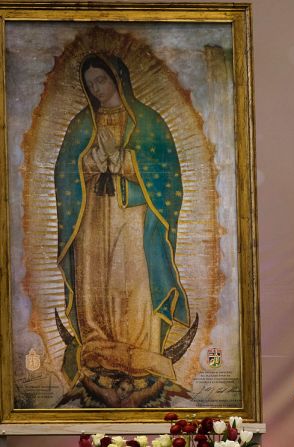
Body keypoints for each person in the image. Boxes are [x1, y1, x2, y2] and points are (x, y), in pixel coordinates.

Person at [54, 54, 189, 399]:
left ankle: (141, 351)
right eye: (91, 84)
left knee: (132, 277)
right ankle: (98, 347)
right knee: (95, 279)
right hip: (93, 217)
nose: (97, 88)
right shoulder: (81, 125)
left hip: (133, 214)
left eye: (102, 80)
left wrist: (127, 161)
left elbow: (166, 173)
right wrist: (88, 163)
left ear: (118, 78)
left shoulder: (147, 122)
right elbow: (65, 173)